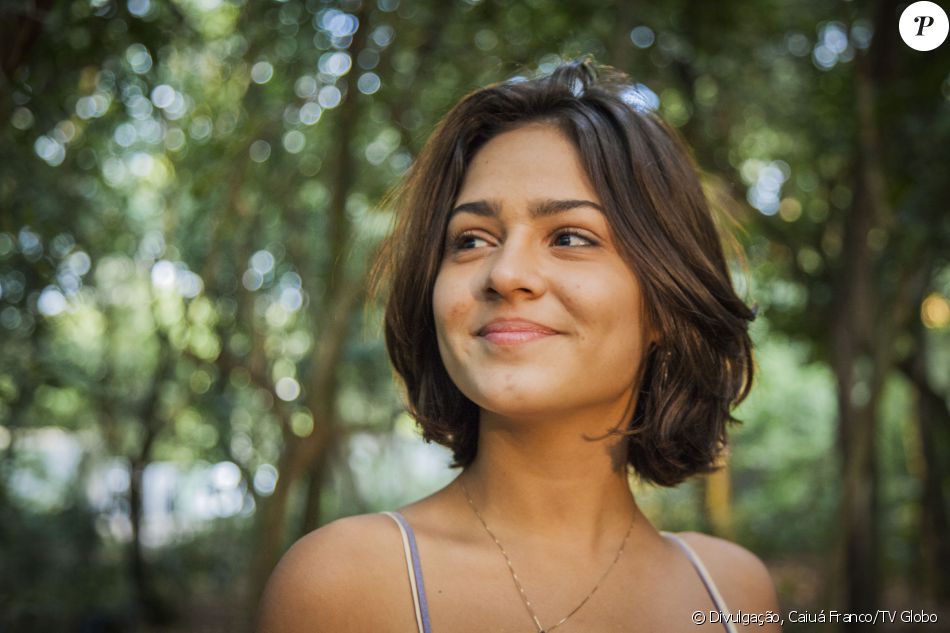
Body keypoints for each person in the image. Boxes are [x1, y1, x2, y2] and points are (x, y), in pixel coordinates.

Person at [257, 60, 781, 632]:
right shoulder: (343, 584)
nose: (505, 274)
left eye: (570, 237)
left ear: (665, 299)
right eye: (472, 240)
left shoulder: (735, 594)